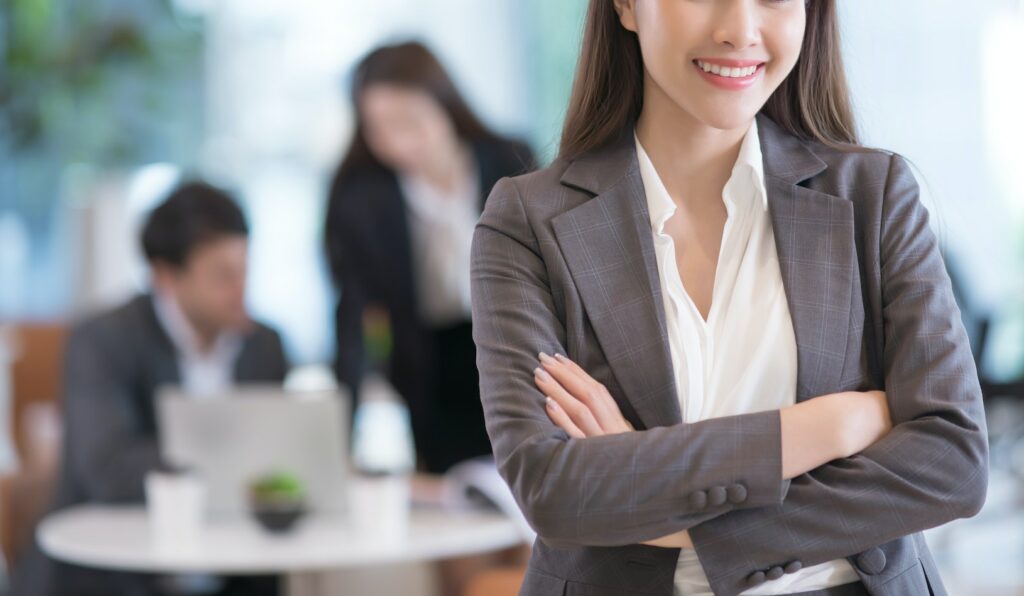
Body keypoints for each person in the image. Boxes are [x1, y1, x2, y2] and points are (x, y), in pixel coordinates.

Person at [470, 1, 988, 595]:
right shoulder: (528, 221)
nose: (739, 30)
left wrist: (661, 506)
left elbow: (952, 462)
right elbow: (555, 492)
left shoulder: (874, 194)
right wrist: (827, 425)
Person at [10, 182, 287, 596]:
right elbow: (108, 469)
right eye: (222, 276)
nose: (240, 291)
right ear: (165, 277)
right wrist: (231, 459)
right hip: (106, 578)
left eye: (245, 271)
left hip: (230, 575)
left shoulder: (264, 345)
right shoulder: (102, 340)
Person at [325, 41, 535, 475]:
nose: (398, 142)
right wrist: (344, 432)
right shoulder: (361, 198)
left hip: (513, 352)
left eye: (409, 121)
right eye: (379, 128)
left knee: (527, 492)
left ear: (445, 105)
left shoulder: (509, 160)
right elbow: (354, 316)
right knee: (457, 500)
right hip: (428, 365)